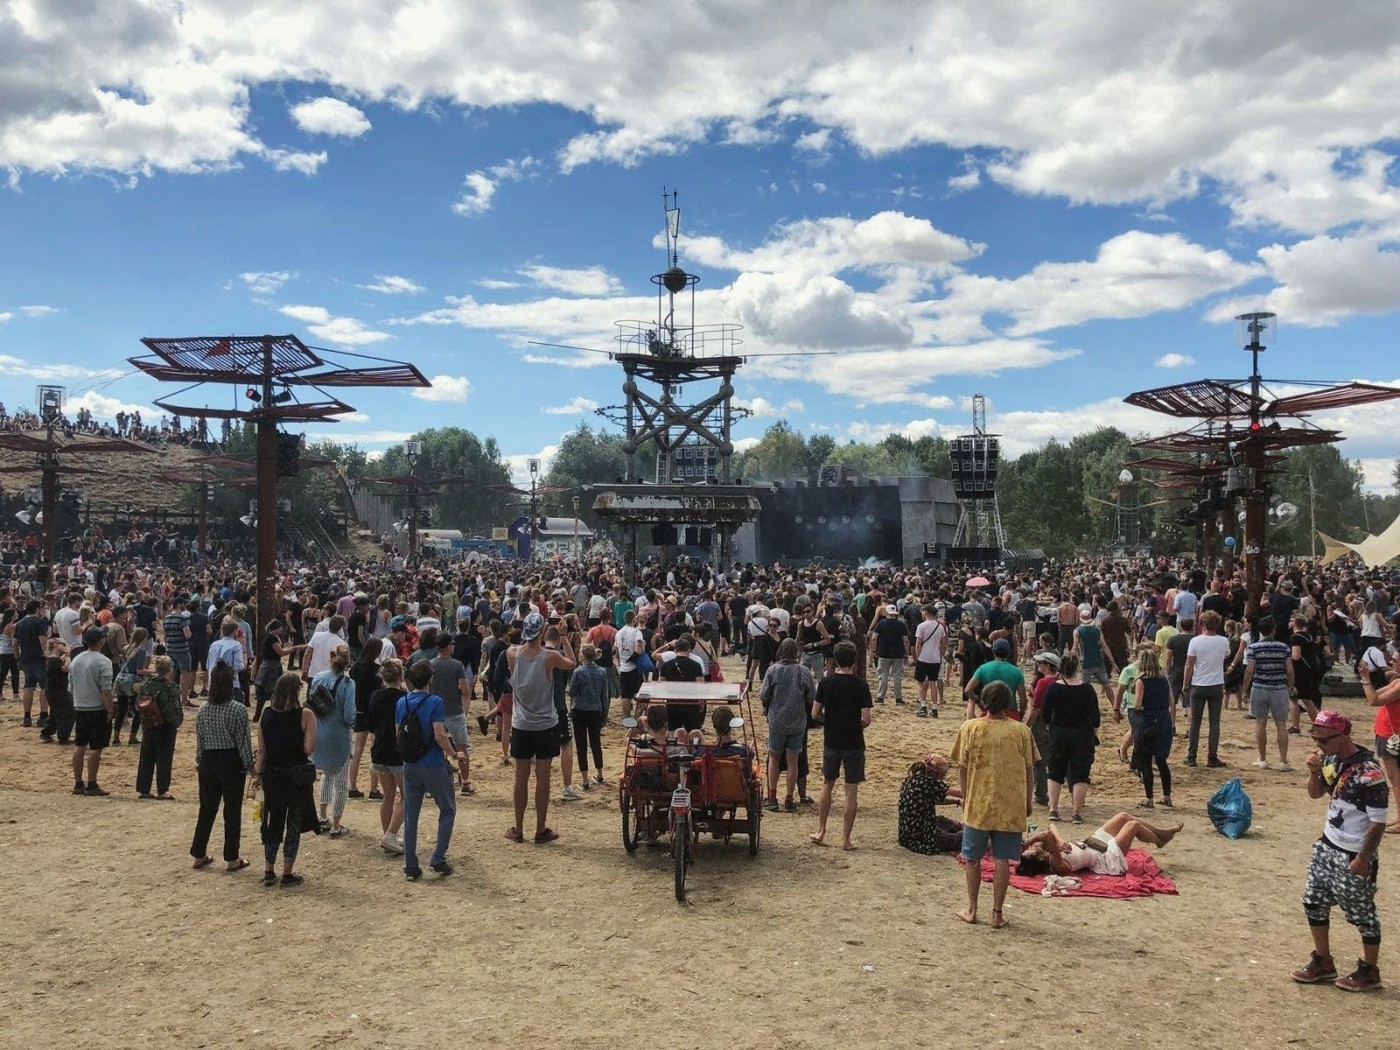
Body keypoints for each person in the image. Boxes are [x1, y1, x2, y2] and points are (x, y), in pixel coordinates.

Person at [1292, 710, 1388, 993]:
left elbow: (1378, 823)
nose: (1318, 745)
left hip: (1352, 853)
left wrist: (1363, 859)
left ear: (1343, 737)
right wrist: (1314, 771)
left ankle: (1369, 970)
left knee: (1361, 912)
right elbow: (1316, 793)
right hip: (1327, 844)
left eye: (1323, 740)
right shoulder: (1331, 760)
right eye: (1316, 739)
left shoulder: (1370, 774)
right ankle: (1323, 961)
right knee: (1313, 901)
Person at [949, 680, 1037, 929]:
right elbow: (1029, 769)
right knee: (1002, 860)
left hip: (979, 802)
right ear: (1008, 702)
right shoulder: (1021, 731)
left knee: (972, 857)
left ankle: (972, 908)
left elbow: (962, 767)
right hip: (1010, 803)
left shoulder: (970, 728)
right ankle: (997, 913)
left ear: (984, 702)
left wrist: (966, 796)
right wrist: (1027, 799)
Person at [504, 611, 575, 844]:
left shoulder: (512, 653)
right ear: (542, 631)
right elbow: (572, 663)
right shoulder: (550, 656)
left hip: (521, 723)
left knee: (520, 776)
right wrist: (563, 636)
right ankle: (540, 829)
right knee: (543, 777)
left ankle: (518, 828)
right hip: (545, 723)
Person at [397, 660, 463, 879]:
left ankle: (410, 864)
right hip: (432, 762)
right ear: (430, 679)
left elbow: (399, 732)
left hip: (410, 763)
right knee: (447, 808)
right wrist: (454, 754)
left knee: (411, 814)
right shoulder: (435, 702)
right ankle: (438, 857)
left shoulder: (402, 701)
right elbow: (439, 735)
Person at [253, 671, 320, 886]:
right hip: (296, 775)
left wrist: (257, 774)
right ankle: (287, 871)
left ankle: (269, 868)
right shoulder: (306, 715)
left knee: (272, 821)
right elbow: (309, 748)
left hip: (273, 774)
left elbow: (262, 751)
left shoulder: (266, 714)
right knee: (293, 824)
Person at [190, 663, 254, 872]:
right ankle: (232, 857)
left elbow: (200, 740)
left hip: (208, 760)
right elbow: (243, 742)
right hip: (230, 761)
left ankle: (199, 853)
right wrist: (251, 766)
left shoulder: (203, 709)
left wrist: (200, 760)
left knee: (206, 809)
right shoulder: (237, 709)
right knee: (232, 810)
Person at [809, 640, 872, 850]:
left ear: (836, 660)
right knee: (851, 790)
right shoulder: (861, 685)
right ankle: (845, 839)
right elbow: (866, 719)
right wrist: (853, 724)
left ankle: (821, 830)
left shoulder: (826, 683)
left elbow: (815, 713)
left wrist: (830, 720)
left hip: (832, 739)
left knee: (827, 784)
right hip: (854, 741)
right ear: (854, 661)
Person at [1017, 812, 1183, 877]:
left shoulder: (1049, 849)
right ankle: (1159, 841)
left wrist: (1059, 840)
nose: (1033, 847)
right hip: (1105, 856)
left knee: (1123, 817)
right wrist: (1029, 841)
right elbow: (1047, 834)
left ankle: (1160, 833)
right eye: (1033, 850)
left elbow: (1051, 827)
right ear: (1040, 857)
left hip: (1093, 842)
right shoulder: (1056, 864)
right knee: (1133, 825)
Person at [1039, 653, 1100, 824]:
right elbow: (1095, 717)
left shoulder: (1053, 688)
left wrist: (1050, 726)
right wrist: (1093, 731)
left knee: (1055, 770)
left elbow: (1045, 713)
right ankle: (1076, 813)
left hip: (1059, 732)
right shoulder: (1087, 689)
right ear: (1077, 668)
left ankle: (1053, 809)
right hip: (1082, 733)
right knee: (1081, 774)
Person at [760, 638, 817, 812]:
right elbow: (811, 697)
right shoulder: (803, 671)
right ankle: (789, 798)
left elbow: (763, 695)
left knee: (774, 758)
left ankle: (772, 797)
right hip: (797, 722)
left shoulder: (773, 670)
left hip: (777, 721)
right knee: (793, 761)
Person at [310, 644, 357, 837]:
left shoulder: (319, 677)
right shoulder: (348, 683)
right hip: (339, 735)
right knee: (342, 782)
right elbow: (348, 715)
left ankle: (322, 817)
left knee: (326, 776)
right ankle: (336, 824)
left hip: (320, 731)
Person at [1242, 615, 1296, 771]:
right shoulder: (1283, 647)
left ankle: (1262, 758)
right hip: (1279, 688)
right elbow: (1289, 670)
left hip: (1260, 687)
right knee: (1281, 724)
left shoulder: (1254, 648)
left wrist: (1245, 690)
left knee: (1260, 723)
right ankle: (1283, 760)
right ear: (1273, 630)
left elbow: (1249, 670)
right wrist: (1291, 686)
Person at [367, 657, 408, 855]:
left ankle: (387, 835)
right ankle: (390, 834)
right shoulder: (403, 697)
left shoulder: (376, 696)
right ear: (400, 676)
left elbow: (371, 723)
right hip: (397, 751)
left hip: (379, 749)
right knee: (407, 795)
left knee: (388, 796)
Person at [69, 626, 115, 797]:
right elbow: (106, 689)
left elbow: (71, 686)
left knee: (80, 745)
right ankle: (92, 783)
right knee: (96, 747)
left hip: (80, 706)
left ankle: (78, 783)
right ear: (101, 641)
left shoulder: (76, 660)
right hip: (97, 708)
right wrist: (110, 709)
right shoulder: (104, 661)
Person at [1182, 610, 1230, 769]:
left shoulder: (1195, 641)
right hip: (1216, 684)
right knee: (1214, 723)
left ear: (1202, 624)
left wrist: (1185, 683)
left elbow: (1189, 664)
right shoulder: (1223, 641)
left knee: (1195, 722)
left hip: (1199, 684)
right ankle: (1212, 757)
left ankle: (1191, 756)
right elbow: (1226, 655)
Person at [429, 631, 474, 795]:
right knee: (461, 746)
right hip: (454, 711)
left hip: (436, 713)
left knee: (438, 748)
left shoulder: (430, 664)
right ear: (448, 647)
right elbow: (465, 689)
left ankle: (438, 783)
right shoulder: (456, 665)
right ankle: (465, 782)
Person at [1129, 648, 1175, 809]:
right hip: (1164, 720)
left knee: (1146, 761)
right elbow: (1171, 701)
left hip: (1148, 720)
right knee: (1162, 761)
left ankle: (1149, 798)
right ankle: (1166, 796)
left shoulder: (1141, 681)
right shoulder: (1164, 680)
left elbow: (1137, 704)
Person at [134, 655, 183, 800]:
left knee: (146, 757)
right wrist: (176, 722)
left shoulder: (147, 685)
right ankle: (162, 790)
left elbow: (138, 704)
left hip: (149, 723)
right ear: (170, 670)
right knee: (164, 758)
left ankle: (144, 789)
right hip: (165, 726)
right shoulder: (171, 687)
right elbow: (174, 709)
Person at [896, 753, 965, 855]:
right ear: (936, 773)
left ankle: (962, 828)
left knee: (941, 821)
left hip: (908, 832)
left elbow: (934, 799)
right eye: (942, 776)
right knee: (961, 838)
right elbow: (961, 793)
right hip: (921, 837)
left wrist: (957, 801)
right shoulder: (928, 782)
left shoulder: (913, 778)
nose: (942, 779)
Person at [347, 637, 384, 800]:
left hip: (359, 710)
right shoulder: (377, 670)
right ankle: (374, 789)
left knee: (357, 751)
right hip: (374, 712)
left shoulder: (355, 668)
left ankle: (352, 787)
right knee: (375, 750)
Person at [568, 643, 608, 787]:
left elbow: (572, 692)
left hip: (579, 710)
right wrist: (605, 714)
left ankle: (585, 780)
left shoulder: (578, 672)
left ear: (583, 656)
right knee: (596, 743)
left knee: (581, 745)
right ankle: (600, 774)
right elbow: (604, 696)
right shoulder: (602, 672)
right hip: (595, 710)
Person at [963, 637, 1028, 720]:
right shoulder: (1017, 671)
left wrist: (978, 702)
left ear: (993, 651)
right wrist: (1021, 714)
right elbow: (1023, 699)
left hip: (989, 712)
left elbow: (968, 690)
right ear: (1008, 652)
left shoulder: (983, 668)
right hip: (1010, 712)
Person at [868, 604, 909, 704]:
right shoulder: (901, 624)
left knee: (883, 675)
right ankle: (898, 698)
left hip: (884, 653)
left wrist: (874, 650)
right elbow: (905, 640)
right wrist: (906, 653)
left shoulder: (881, 624)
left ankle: (881, 696)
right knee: (897, 676)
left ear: (887, 612)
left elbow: (874, 638)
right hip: (898, 653)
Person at [912, 604, 947, 718]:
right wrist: (940, 656)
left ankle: (923, 706)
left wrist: (918, 657)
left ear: (925, 613)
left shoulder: (921, 626)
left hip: (924, 657)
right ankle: (934, 708)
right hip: (935, 658)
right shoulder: (940, 627)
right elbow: (943, 645)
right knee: (933, 683)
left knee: (920, 682)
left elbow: (918, 644)